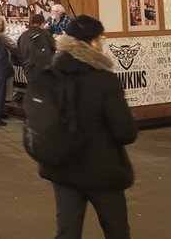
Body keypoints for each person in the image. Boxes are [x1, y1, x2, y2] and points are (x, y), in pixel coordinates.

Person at [39, 15, 137, 239]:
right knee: (117, 230)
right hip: (101, 170)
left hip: (62, 167)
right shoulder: (105, 80)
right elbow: (125, 132)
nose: (102, 42)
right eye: (100, 38)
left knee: (67, 231)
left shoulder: (51, 74)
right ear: (92, 42)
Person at [18, 13, 55, 86]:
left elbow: (19, 53)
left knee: (32, 89)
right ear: (42, 24)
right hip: (43, 69)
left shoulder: (23, 35)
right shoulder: (45, 33)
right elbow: (55, 46)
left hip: (28, 68)